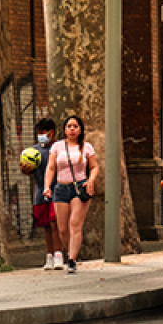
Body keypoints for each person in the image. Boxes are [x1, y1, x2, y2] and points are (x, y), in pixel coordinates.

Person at [43, 115, 99, 274]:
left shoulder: (86, 147)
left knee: (75, 224)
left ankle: (72, 260)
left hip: (79, 188)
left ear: (80, 130)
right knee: (62, 229)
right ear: (65, 130)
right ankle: (70, 253)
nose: (72, 129)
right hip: (60, 188)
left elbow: (94, 167)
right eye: (69, 126)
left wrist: (91, 180)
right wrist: (47, 186)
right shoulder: (57, 147)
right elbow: (51, 167)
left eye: (75, 126)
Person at [29, 117, 62, 270]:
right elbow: (29, 171)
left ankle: (58, 255)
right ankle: (49, 255)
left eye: (43, 132)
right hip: (41, 193)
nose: (40, 135)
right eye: (39, 133)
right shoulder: (34, 151)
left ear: (51, 133)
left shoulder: (60, 148)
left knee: (56, 224)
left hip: (58, 191)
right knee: (46, 226)